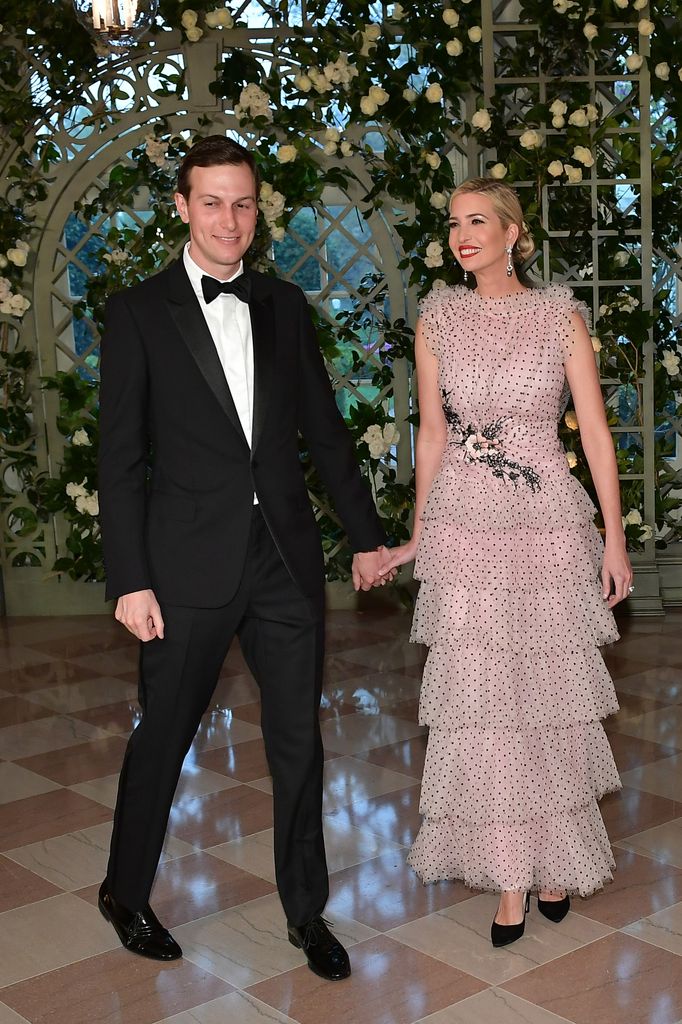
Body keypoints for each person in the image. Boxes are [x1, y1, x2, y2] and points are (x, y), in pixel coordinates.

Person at [97, 134, 394, 980]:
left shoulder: (287, 304)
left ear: (258, 212)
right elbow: (119, 459)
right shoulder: (138, 312)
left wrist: (366, 537)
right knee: (165, 737)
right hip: (184, 567)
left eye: (245, 203)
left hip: (285, 562)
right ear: (184, 207)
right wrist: (131, 580)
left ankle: (307, 913)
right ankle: (124, 889)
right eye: (214, 202)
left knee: (300, 741)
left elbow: (326, 434)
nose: (231, 219)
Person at [379, 177, 632, 947]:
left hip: (547, 524)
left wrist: (614, 538)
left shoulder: (560, 317)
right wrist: (420, 533)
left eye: (478, 220)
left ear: (514, 233)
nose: (462, 235)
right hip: (464, 525)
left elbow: (593, 434)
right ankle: (511, 875)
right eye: (453, 222)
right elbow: (430, 438)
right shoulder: (439, 319)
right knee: (482, 700)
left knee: (547, 694)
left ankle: (556, 858)